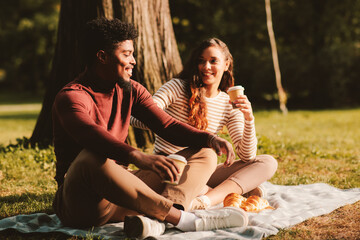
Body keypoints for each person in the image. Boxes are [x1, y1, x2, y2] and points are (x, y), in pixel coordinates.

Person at [51, 19, 250, 239]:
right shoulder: (71, 97)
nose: (133, 61)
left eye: (132, 54)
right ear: (102, 56)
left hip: (123, 196)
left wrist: (210, 139)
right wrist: (138, 156)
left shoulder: (131, 90)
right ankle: (184, 221)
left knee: (205, 151)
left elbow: (167, 124)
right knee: (91, 157)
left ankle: (162, 219)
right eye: (126, 54)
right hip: (83, 204)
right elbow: (91, 135)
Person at [130, 38, 278, 210]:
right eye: (201, 61)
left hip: (203, 170)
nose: (206, 67)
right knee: (207, 151)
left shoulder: (228, 102)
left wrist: (248, 118)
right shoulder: (177, 87)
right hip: (172, 168)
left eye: (213, 61)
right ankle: (225, 193)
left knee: (267, 162)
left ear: (226, 64)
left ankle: (203, 201)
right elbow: (138, 118)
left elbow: (246, 156)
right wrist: (167, 125)